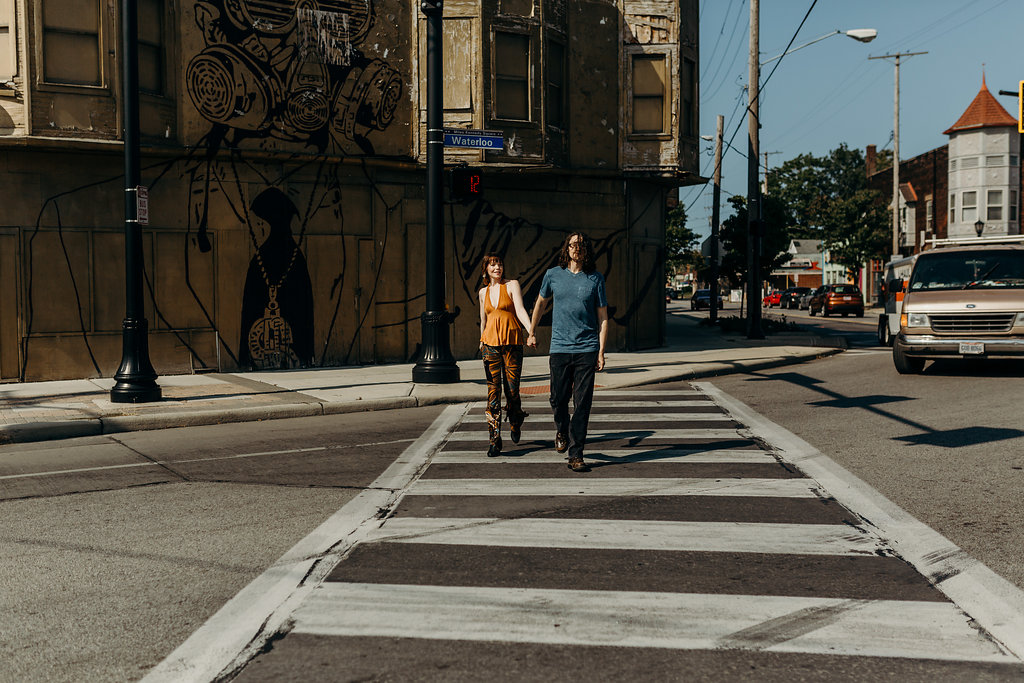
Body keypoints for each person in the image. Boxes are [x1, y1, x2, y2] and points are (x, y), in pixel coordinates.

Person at [527, 232, 608, 472]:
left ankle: (576, 454)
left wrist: (601, 351)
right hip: (560, 348)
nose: (577, 248)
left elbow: (603, 317)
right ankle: (562, 429)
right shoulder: (553, 275)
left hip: (587, 349)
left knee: (582, 404)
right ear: (566, 249)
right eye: (573, 244)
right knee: (557, 398)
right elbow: (540, 304)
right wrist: (531, 331)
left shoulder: (595, 279)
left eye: (581, 245)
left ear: (586, 251)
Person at [479, 253, 534, 457]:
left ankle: (515, 419)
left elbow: (519, 309)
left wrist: (530, 331)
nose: (497, 268)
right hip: (490, 346)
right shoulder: (482, 292)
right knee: (492, 393)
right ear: (486, 269)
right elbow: (483, 320)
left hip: (512, 344)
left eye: (500, 264)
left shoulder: (512, 285)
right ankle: (494, 440)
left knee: (512, 391)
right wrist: (481, 341)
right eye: (493, 265)